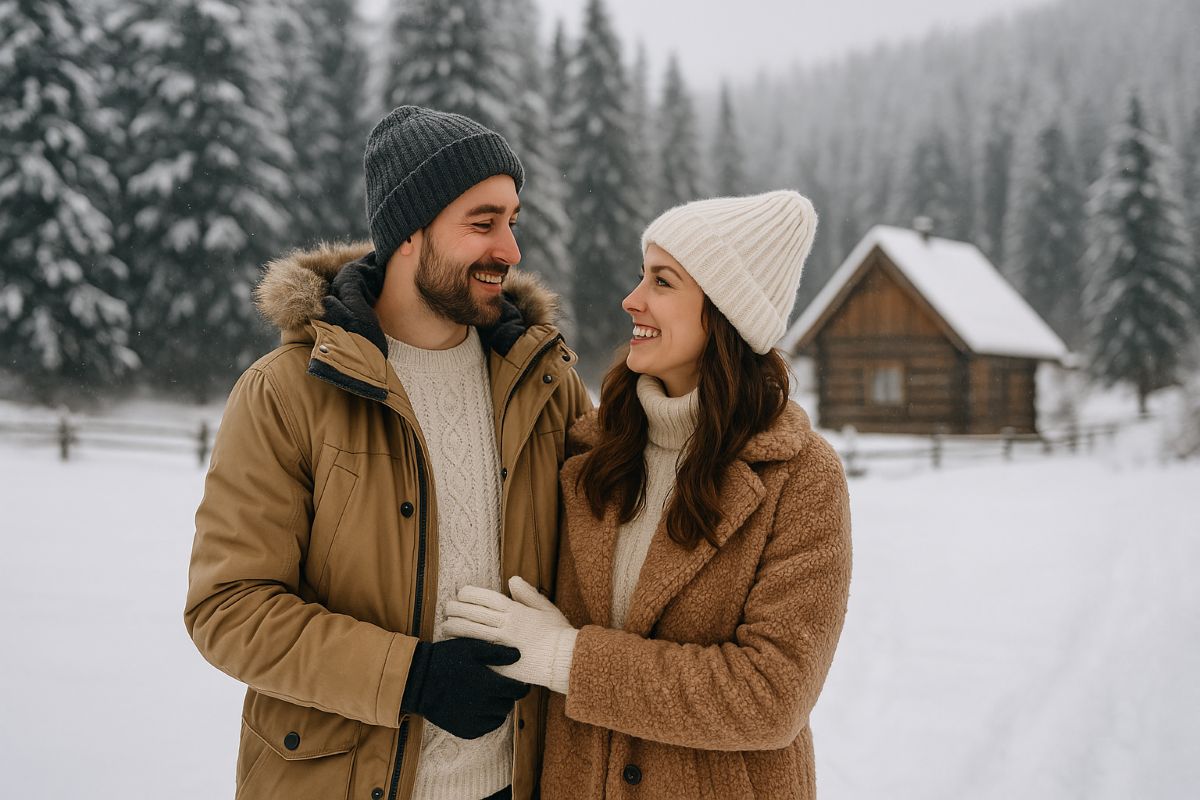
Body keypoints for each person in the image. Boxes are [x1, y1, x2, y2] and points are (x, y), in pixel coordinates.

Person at [184, 106, 590, 800]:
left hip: (515, 783)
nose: (511, 250)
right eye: (483, 222)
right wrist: (412, 678)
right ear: (411, 231)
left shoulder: (545, 383)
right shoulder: (288, 391)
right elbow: (229, 608)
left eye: (512, 222)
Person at [445, 191, 852, 798]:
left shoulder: (800, 478)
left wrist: (568, 658)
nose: (631, 299)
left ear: (724, 312)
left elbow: (770, 696)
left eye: (662, 281)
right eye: (642, 275)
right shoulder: (590, 451)